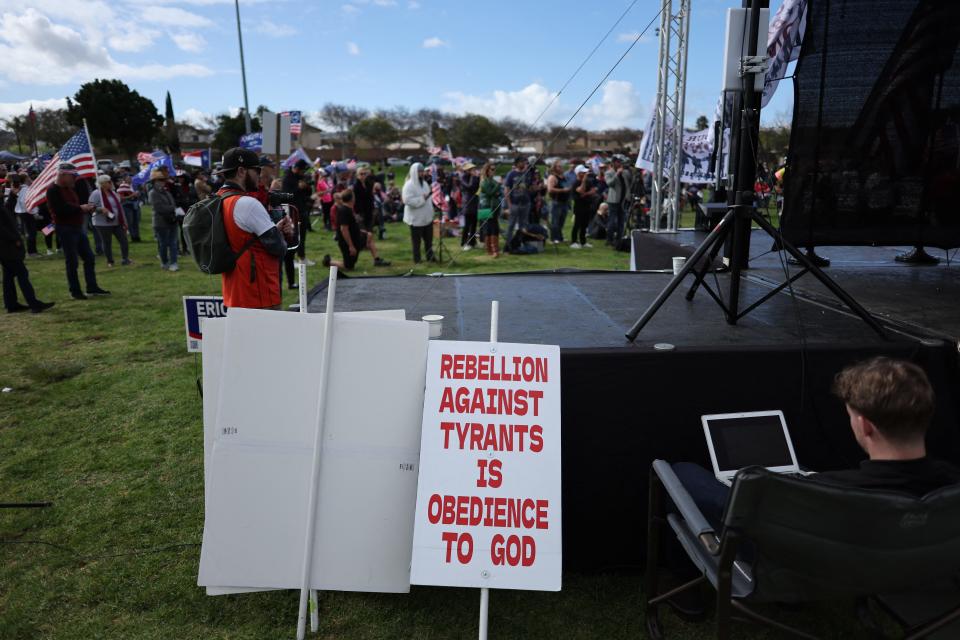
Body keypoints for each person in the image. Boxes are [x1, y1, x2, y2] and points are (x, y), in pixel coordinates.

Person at [673, 357, 960, 532]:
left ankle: (684, 581)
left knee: (679, 473)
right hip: (910, 566)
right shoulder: (951, 485)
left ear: (864, 425)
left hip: (809, 570)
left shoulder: (824, 491)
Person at [215, 148, 297, 309]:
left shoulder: (219, 199)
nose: (258, 175)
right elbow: (278, 247)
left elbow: (242, 237)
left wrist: (274, 230)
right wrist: (280, 233)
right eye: (256, 170)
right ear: (241, 171)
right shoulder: (248, 203)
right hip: (259, 292)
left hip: (234, 291)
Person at [45, 163, 109, 299]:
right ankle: (75, 291)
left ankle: (92, 287)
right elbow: (60, 210)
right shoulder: (52, 190)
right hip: (65, 228)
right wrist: (81, 208)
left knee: (89, 257)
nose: (75, 178)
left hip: (77, 227)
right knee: (72, 261)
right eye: (72, 175)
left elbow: (73, 205)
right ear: (62, 174)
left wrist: (86, 208)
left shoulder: (70, 188)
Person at [2, 180, 53, 313]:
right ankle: (34, 303)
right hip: (7, 246)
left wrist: (13, 196)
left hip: (6, 246)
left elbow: (8, 210)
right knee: (22, 273)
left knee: (8, 275)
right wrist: (14, 239)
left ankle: (11, 304)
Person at [322, 189, 390, 271]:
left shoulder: (349, 209)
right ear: (352, 199)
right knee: (349, 267)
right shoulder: (343, 211)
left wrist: (361, 231)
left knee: (369, 235)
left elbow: (351, 226)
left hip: (356, 238)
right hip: (347, 242)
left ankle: (377, 260)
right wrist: (351, 246)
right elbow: (344, 230)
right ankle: (328, 262)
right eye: (354, 196)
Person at [88, 175, 131, 267]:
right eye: (109, 182)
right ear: (103, 184)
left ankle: (125, 259)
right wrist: (100, 209)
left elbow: (119, 208)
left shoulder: (114, 193)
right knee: (107, 242)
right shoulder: (96, 193)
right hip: (102, 223)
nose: (111, 183)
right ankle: (110, 261)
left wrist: (124, 221)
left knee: (123, 240)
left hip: (117, 221)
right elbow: (90, 207)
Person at [281, 159, 313, 266]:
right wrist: (298, 188)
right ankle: (292, 258)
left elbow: (308, 192)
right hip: (292, 211)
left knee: (301, 236)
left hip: (302, 210)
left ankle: (301, 257)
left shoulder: (301, 178)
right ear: (297, 169)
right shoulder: (287, 179)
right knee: (293, 236)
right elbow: (286, 195)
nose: (303, 173)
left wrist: (306, 187)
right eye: (302, 170)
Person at [402, 162, 435, 264]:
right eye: (419, 172)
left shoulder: (424, 183)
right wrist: (422, 199)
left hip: (427, 217)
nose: (422, 174)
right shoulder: (409, 185)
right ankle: (417, 259)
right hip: (415, 218)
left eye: (422, 171)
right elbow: (407, 200)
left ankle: (430, 257)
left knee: (429, 240)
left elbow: (428, 197)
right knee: (416, 242)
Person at [148, 169, 180, 271]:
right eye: (160, 180)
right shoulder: (153, 193)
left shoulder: (166, 192)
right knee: (163, 244)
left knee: (173, 243)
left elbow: (172, 203)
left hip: (171, 220)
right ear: (154, 181)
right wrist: (172, 208)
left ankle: (174, 262)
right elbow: (159, 208)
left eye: (163, 180)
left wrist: (172, 208)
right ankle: (164, 262)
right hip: (161, 222)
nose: (163, 182)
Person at [503, 156, 534, 246]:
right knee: (511, 225)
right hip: (514, 204)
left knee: (523, 225)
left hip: (526, 203)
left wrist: (534, 188)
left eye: (525, 162)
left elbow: (530, 187)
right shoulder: (511, 174)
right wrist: (509, 205)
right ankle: (508, 245)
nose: (524, 163)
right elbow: (506, 190)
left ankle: (520, 243)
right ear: (517, 163)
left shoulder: (527, 174)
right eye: (522, 162)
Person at [603, 156, 631, 246]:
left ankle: (619, 238)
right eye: (618, 162)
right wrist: (617, 174)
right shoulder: (609, 172)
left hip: (623, 200)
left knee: (621, 220)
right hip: (614, 200)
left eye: (621, 162)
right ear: (613, 163)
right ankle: (609, 239)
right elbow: (609, 183)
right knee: (612, 220)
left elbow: (629, 183)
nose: (620, 164)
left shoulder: (625, 172)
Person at [478, 162, 501, 257]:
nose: (494, 171)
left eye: (494, 169)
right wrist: (498, 185)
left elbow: (496, 193)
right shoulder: (484, 181)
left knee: (495, 228)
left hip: (494, 207)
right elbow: (490, 192)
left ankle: (495, 249)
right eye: (492, 169)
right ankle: (490, 250)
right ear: (487, 171)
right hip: (485, 207)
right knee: (488, 228)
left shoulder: (492, 181)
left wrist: (497, 189)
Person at [570, 165, 596, 249]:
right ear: (579, 173)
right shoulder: (575, 183)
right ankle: (573, 241)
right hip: (579, 206)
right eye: (583, 172)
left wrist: (585, 194)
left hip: (587, 205)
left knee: (584, 225)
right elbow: (580, 190)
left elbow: (593, 191)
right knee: (577, 224)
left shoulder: (588, 181)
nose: (585, 173)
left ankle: (583, 241)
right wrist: (584, 181)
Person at [546, 160, 572, 244]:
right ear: (554, 168)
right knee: (555, 221)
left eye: (561, 166)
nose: (561, 168)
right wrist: (563, 190)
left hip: (564, 202)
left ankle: (560, 237)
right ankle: (554, 238)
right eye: (559, 166)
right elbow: (550, 189)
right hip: (556, 202)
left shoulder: (563, 177)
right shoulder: (552, 177)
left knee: (561, 221)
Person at [459, 163, 479, 250]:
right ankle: (464, 242)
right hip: (467, 203)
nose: (474, 171)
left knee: (474, 225)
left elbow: (478, 187)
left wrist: (476, 177)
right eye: (472, 169)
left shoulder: (474, 177)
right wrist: (474, 177)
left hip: (475, 202)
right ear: (467, 170)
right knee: (467, 225)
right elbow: (470, 186)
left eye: (474, 169)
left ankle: (472, 242)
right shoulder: (463, 177)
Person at [116, 178, 142, 242]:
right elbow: (121, 198)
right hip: (127, 206)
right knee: (129, 222)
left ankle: (137, 237)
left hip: (135, 206)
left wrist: (137, 195)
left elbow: (137, 195)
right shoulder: (122, 187)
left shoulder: (134, 186)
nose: (130, 180)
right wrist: (131, 196)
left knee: (136, 222)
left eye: (131, 178)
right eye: (128, 178)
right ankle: (132, 236)